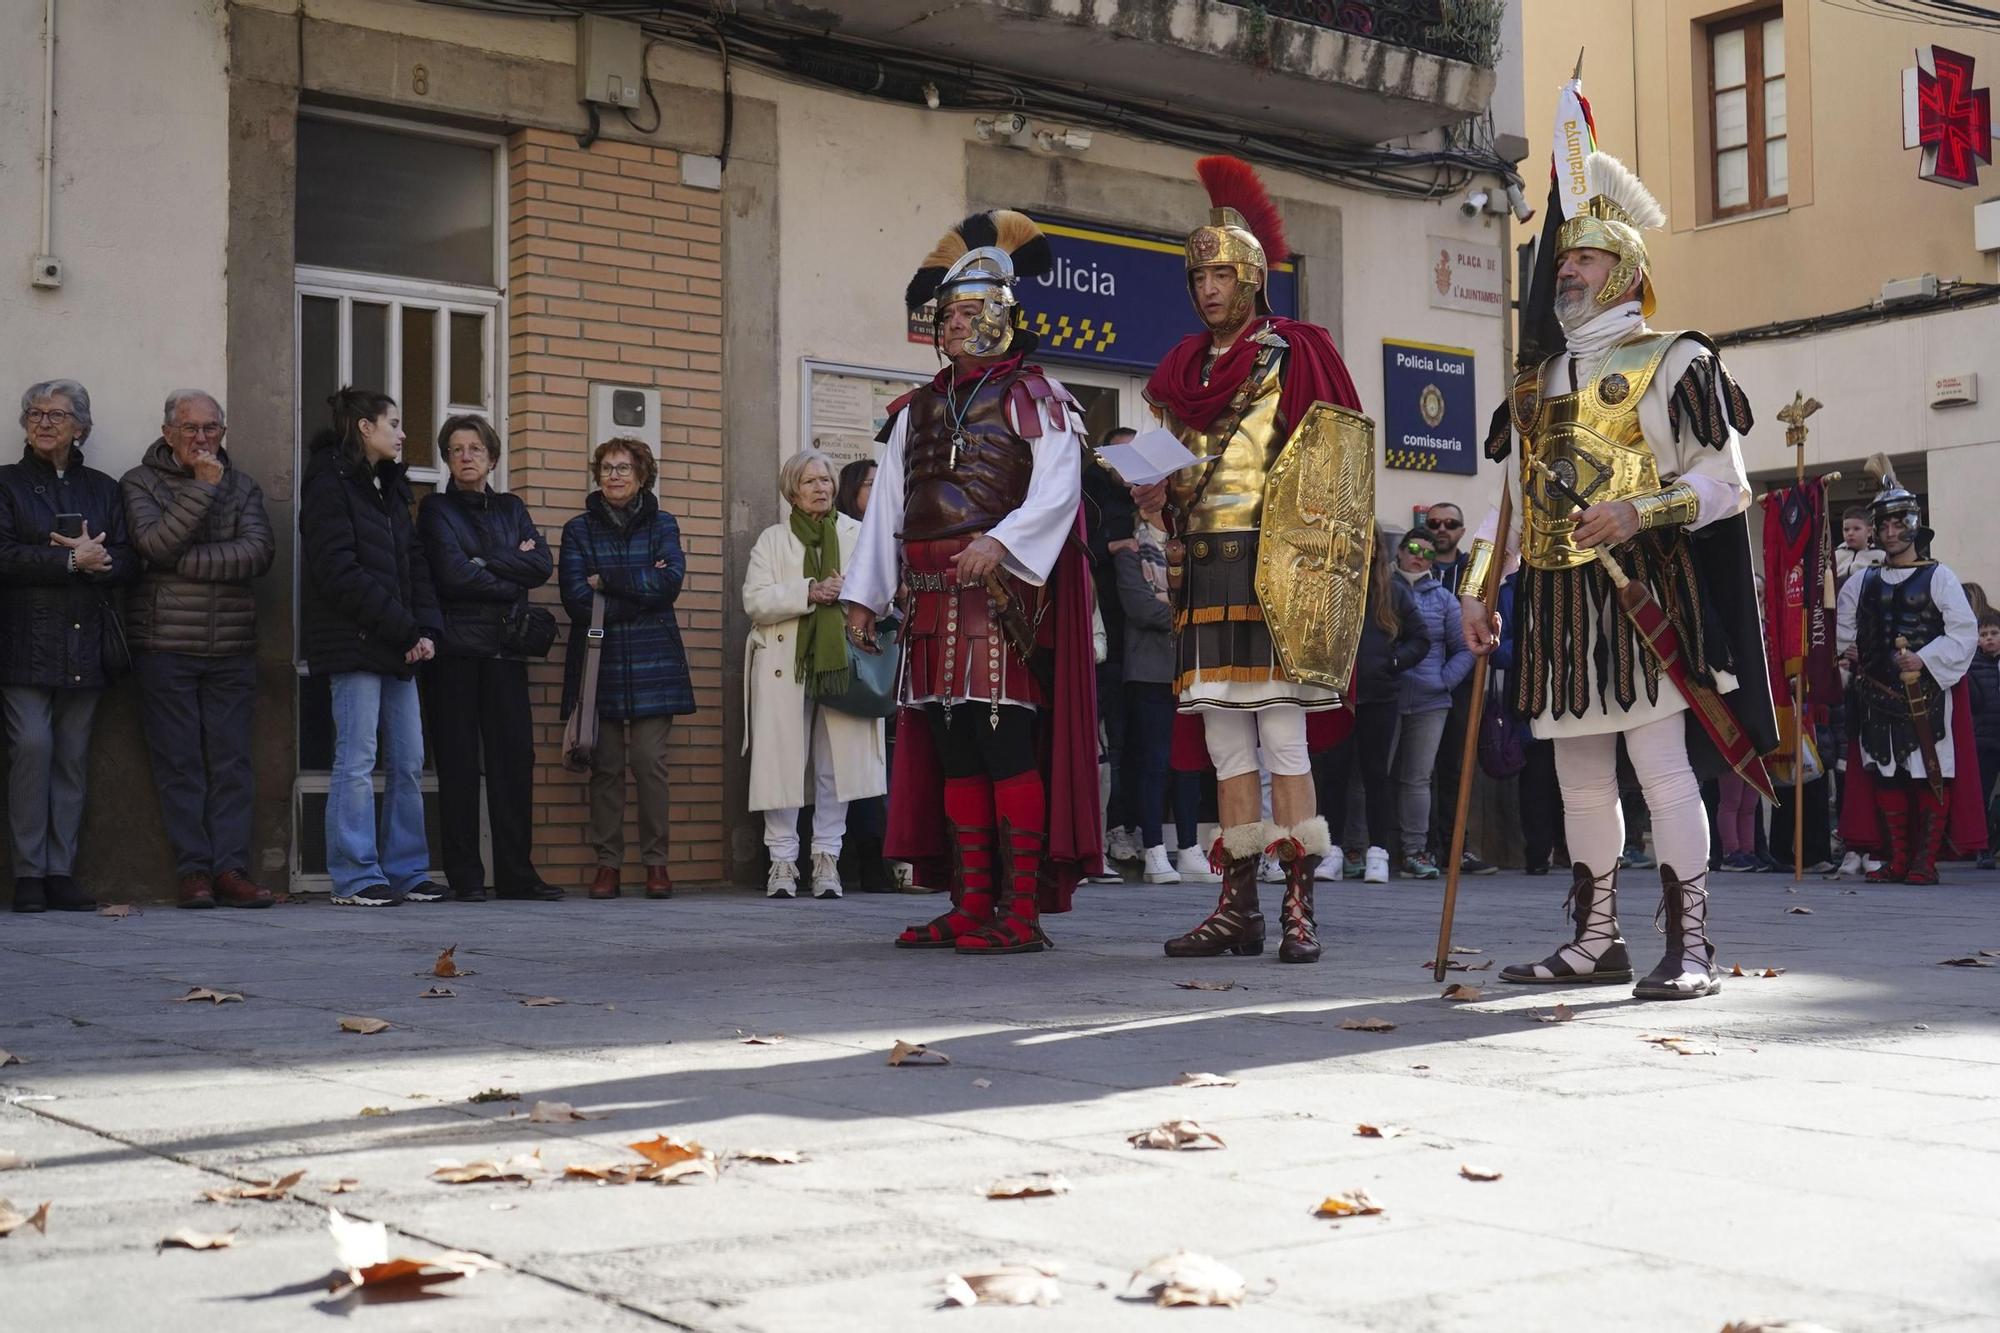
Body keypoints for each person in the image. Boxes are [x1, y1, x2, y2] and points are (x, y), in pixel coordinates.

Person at [1461, 149, 1776, 1000]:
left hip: (1646, 596)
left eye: (1585, 257)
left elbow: (1727, 482)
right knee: (1578, 776)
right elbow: (1511, 506)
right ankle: (1596, 938)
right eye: (1563, 259)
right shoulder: (1534, 385)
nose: (1566, 268)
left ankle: (1692, 943)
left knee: (1662, 767)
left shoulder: (1677, 359)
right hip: (1560, 604)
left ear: (1627, 270)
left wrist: (1640, 510)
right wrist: (1477, 585)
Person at [844, 208, 1101, 956]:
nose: (951, 326)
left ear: (1000, 317)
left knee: (1005, 745)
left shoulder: (1038, 394)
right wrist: (864, 595)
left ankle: (1020, 914)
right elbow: (890, 503)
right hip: (926, 599)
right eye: (945, 314)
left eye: (965, 313)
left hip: (1000, 597)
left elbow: (1059, 488)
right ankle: (972, 903)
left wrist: (1001, 540)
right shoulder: (918, 406)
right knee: (953, 745)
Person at [1132, 157, 1366, 965]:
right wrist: (1156, 500)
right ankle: (1238, 906)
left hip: (1277, 571)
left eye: (1221, 273)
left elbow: (1335, 469)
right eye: (1197, 276)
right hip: (1205, 566)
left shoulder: (1296, 353)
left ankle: (1300, 902)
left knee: (1285, 741)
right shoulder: (1181, 373)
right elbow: (1180, 468)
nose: (1207, 288)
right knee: (1228, 747)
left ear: (1255, 278)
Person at [121, 388, 276, 909]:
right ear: (168, 433)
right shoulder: (139, 483)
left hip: (231, 646)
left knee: (232, 763)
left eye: (212, 429)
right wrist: (203, 491)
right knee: (180, 763)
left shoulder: (246, 488)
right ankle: (194, 873)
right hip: (164, 644)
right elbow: (152, 544)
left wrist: (177, 560)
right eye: (191, 429)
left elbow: (256, 554)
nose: (203, 438)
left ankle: (231, 869)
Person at [299, 388, 443, 907]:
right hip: (354, 645)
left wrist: (424, 630)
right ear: (364, 427)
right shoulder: (327, 483)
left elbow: (414, 565)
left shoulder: (392, 487)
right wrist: (404, 630)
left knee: (408, 760)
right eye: (395, 423)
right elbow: (339, 573)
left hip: (399, 644)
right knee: (356, 761)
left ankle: (407, 871)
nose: (403, 434)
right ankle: (356, 876)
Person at [0, 379, 137, 913]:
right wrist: (67, 562)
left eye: (57, 414)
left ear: (81, 426)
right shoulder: (7, 484)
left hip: (87, 642)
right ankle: (28, 873)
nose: (44, 423)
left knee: (73, 759)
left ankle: (61, 871)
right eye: (34, 413)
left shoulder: (104, 488)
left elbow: (129, 558)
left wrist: (101, 563)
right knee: (33, 748)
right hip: (23, 641)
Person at [417, 414, 560, 904]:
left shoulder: (511, 506)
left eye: (475, 448)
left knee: (513, 764)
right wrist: (507, 567)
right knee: (457, 766)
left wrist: (484, 560)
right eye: (456, 449)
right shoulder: (435, 510)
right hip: (455, 653)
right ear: (447, 459)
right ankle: (466, 877)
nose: (466, 456)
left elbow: (540, 565)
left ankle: (518, 875)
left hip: (504, 651)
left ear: (492, 456)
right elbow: (452, 575)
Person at [743, 447, 887, 899]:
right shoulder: (772, 539)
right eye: (809, 481)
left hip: (844, 663)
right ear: (792, 490)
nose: (820, 488)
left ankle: (827, 859)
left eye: (825, 480)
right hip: (786, 666)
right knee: (782, 765)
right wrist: (809, 590)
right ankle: (782, 861)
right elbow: (756, 600)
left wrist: (854, 591)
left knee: (835, 767)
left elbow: (883, 594)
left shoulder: (858, 533)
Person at [1836, 458, 1984, 883]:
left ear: (1914, 527)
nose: (1890, 532)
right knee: (1886, 772)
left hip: (1926, 694)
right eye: (1884, 525)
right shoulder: (1862, 582)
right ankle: (1898, 859)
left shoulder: (1940, 577)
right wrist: (1846, 660)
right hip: (1876, 694)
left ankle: (1925, 861)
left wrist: (1924, 659)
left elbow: (1963, 631)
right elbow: (1847, 635)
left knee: (1929, 772)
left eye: (1899, 524)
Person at [559, 437, 695, 900]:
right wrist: (640, 592)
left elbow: (670, 583)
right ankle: (608, 865)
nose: (614, 475)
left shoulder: (664, 523)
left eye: (624, 468)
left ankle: (657, 864)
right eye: (607, 468)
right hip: (603, 662)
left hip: (655, 659)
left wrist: (610, 582)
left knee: (649, 763)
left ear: (642, 476)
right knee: (607, 766)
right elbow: (577, 600)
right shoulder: (578, 529)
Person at [1316, 530, 1426, 886]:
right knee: (1332, 777)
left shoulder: (1392, 589)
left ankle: (1378, 851)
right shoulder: (1327, 587)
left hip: (1379, 695)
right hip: (1336, 695)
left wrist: (1393, 662)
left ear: (1376, 548)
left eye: (1366, 542)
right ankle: (1331, 852)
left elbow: (1420, 638)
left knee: (1377, 776)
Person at [1111, 483, 1185, 883]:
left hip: (1185, 667)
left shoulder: (1183, 549)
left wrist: (1167, 605)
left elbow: (1191, 600)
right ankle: (1154, 848)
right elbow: (1140, 608)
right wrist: (1173, 608)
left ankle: (1188, 847)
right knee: (1152, 762)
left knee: (1186, 764)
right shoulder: (1131, 551)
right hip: (1148, 670)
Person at [1395, 530, 1473, 879]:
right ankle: (1364, 848)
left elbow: (1466, 648)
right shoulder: (1379, 590)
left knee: (1417, 778)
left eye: (1427, 553)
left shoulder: (1444, 599)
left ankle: (1416, 850)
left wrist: (1443, 681)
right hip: (1386, 697)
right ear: (1398, 552)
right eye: (1412, 549)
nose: (1419, 557)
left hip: (1430, 702)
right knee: (1369, 776)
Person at [1970, 611, 2000, 870]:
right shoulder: (1973, 665)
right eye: (1984, 635)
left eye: (1994, 634)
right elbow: (1974, 703)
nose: (1989, 639)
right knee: (1982, 794)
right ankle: (1982, 848)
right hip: (1984, 739)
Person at [1834, 505, 1883, 586]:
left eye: (1856, 529)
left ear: (1869, 531)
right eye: (1846, 529)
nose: (1850, 533)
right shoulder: (1835, 554)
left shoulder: (1880, 555)